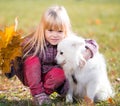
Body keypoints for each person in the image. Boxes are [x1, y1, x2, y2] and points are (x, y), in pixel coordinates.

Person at [7, 5, 98, 106]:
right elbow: (14, 56)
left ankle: (43, 96)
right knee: (31, 59)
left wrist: (86, 53)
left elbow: (92, 43)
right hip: (32, 77)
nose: (54, 35)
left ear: (65, 30)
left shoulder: (68, 41)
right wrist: (7, 65)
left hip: (55, 80)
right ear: (43, 29)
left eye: (59, 31)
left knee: (61, 72)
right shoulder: (33, 42)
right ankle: (38, 94)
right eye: (50, 30)